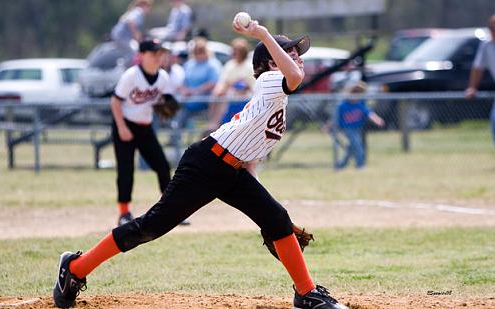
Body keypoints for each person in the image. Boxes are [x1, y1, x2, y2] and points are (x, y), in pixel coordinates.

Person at [52, 17, 348, 309]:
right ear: (272, 63)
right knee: (151, 226)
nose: (299, 61)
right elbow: (293, 78)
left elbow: (249, 165)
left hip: (232, 170)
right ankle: (75, 268)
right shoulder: (271, 81)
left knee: (277, 219)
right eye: (291, 55)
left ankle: (306, 293)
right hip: (206, 164)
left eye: (298, 56)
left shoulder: (277, 110)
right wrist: (263, 34)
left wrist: (268, 210)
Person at [110, 39, 173, 226]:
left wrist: (167, 111)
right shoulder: (131, 75)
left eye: (160, 53)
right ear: (142, 55)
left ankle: (171, 209)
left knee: (162, 166)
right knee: (126, 169)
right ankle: (124, 213)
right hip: (126, 125)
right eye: (153, 53)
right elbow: (115, 102)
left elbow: (165, 103)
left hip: (145, 127)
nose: (158, 57)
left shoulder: (163, 77)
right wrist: (121, 127)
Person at [169, 38, 221, 146]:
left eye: (201, 51)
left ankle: (210, 144)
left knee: (210, 127)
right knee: (176, 120)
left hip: (207, 104)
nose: (199, 54)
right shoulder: (189, 64)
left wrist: (195, 91)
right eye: (197, 51)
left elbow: (213, 83)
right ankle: (174, 144)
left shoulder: (213, 64)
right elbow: (183, 82)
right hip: (188, 103)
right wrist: (184, 90)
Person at [207, 38, 256, 133]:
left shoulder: (250, 66)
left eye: (238, 51)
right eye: (234, 51)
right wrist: (220, 91)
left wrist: (242, 85)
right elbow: (222, 83)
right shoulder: (229, 65)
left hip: (245, 101)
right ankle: (212, 125)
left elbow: (253, 87)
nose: (235, 54)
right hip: (229, 100)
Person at [334, 81, 385, 170]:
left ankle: (341, 165)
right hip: (347, 129)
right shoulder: (343, 105)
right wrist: (327, 127)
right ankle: (360, 165)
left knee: (352, 148)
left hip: (357, 128)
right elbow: (334, 118)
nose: (356, 97)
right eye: (355, 93)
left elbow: (369, 113)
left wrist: (377, 120)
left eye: (360, 94)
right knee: (357, 146)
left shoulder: (360, 104)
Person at [465, 14, 495, 146]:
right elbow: (477, 68)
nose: (493, 32)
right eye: (492, 29)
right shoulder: (486, 45)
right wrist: (472, 87)